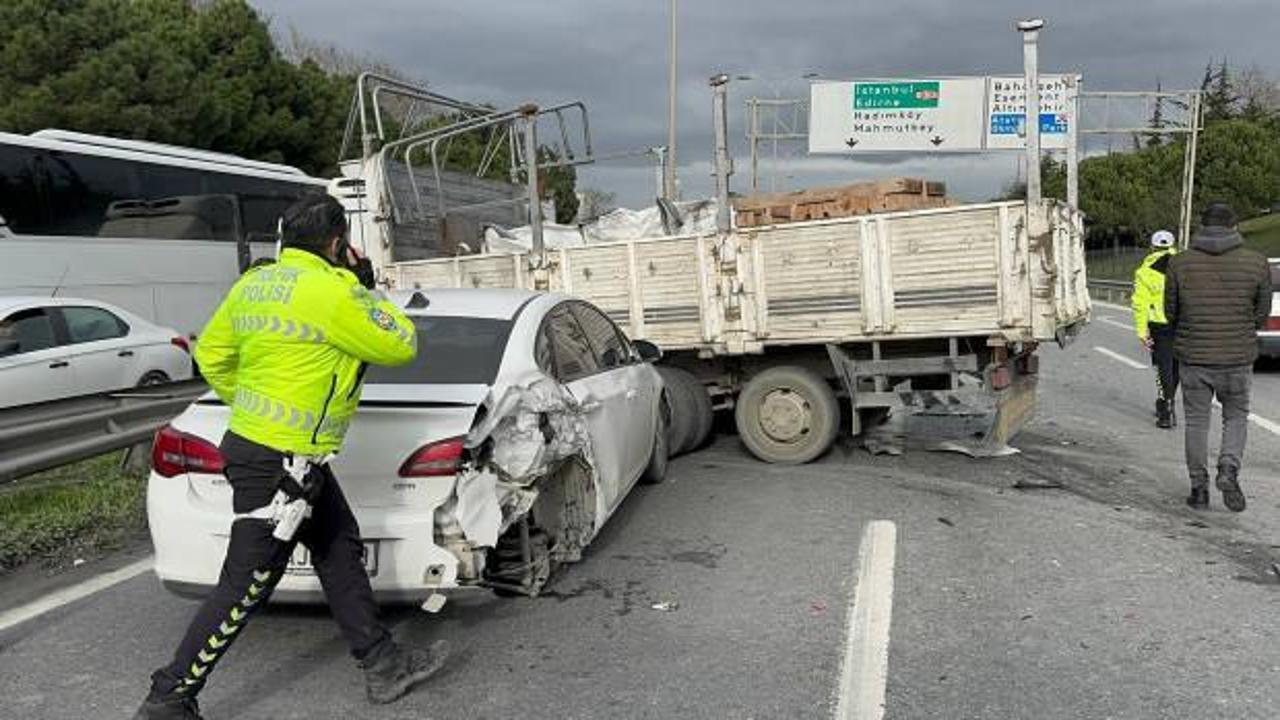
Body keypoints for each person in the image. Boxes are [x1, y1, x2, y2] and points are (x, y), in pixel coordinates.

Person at [135, 195, 447, 719]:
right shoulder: (335, 291)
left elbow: (210, 353)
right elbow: (400, 344)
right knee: (247, 583)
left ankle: (382, 664)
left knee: (338, 547)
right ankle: (169, 697)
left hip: (269, 450)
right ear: (338, 243)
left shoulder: (254, 285)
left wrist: (252, 406)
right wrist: (363, 286)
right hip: (283, 465)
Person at [1164, 202, 1272, 512]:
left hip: (1194, 357)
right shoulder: (1256, 262)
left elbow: (1170, 311)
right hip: (1237, 357)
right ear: (1234, 226)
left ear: (1202, 226)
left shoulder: (1180, 263)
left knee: (1197, 422)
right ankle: (1228, 468)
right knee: (1236, 416)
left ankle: (1199, 489)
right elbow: (1261, 313)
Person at [1131, 229, 1180, 428]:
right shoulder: (1184, 266)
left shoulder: (1144, 271)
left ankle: (1166, 410)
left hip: (1159, 325)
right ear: (1173, 245)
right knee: (1176, 366)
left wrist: (1142, 331)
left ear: (1152, 247)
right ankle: (1167, 401)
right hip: (1182, 324)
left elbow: (1140, 304)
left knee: (1162, 367)